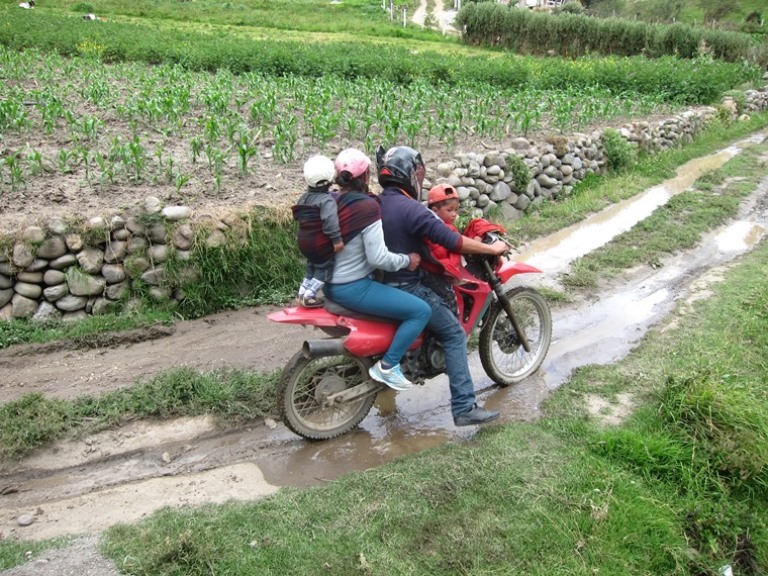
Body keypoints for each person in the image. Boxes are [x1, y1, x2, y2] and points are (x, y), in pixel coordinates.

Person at [376, 145, 508, 427]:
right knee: (454, 334)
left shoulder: (379, 201)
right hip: (407, 285)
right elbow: (453, 242)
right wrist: (491, 248)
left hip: (383, 283)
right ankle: (464, 407)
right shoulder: (410, 208)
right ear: (410, 175)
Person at [322, 148, 432, 392]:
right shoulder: (368, 207)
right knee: (420, 311)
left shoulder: (331, 200)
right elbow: (379, 257)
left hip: (327, 281)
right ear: (367, 176)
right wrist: (407, 260)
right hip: (352, 287)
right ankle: (388, 366)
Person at [291, 155, 344, 308]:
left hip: (303, 241)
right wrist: (336, 240)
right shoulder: (327, 200)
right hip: (318, 243)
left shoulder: (304, 198)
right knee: (324, 266)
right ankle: (310, 296)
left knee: (311, 265)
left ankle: (301, 293)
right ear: (330, 178)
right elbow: (329, 222)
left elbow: (296, 215)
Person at [422, 183, 463, 316]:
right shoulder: (440, 231)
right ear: (434, 211)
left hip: (426, 273)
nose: (454, 214)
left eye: (456, 210)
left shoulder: (427, 224)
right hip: (437, 275)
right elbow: (442, 254)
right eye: (449, 210)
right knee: (451, 310)